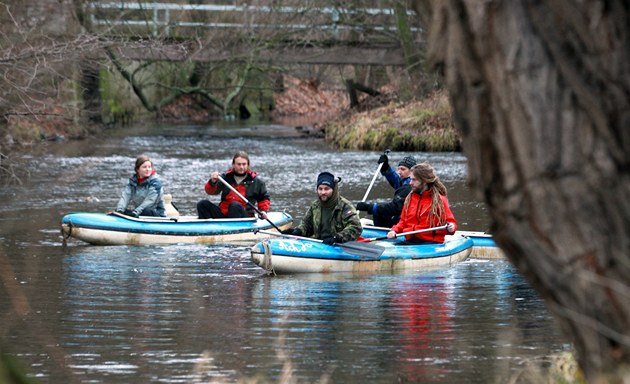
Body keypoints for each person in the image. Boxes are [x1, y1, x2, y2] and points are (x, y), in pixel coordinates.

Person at [281, 172, 362, 245]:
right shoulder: (315, 206)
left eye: (326, 189)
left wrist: (336, 238)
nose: (323, 192)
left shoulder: (345, 206)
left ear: (333, 190)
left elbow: (356, 227)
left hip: (339, 246)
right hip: (320, 244)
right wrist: (297, 231)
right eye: (320, 189)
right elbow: (307, 225)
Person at [387, 162, 456, 245]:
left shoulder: (439, 200)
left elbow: (451, 223)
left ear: (424, 181)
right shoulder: (410, 198)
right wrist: (394, 230)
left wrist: (451, 227)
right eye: (411, 179)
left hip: (431, 243)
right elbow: (403, 222)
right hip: (412, 240)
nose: (410, 183)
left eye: (414, 180)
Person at [197, 151, 270, 219]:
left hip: (244, 216)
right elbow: (211, 192)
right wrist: (212, 182)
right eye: (239, 164)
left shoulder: (256, 181)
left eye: (244, 164)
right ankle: (208, 229)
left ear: (248, 164)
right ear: (233, 164)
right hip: (224, 213)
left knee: (235, 205)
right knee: (202, 204)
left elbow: (263, 198)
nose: (241, 167)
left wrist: (263, 211)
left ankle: (233, 230)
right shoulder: (225, 178)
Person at [355, 154, 417, 227]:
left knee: (379, 212)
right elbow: (396, 181)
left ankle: (380, 233)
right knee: (381, 211)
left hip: (405, 221)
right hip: (403, 217)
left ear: (411, 171)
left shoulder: (408, 187)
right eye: (399, 169)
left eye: (403, 169)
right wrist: (385, 167)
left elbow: (395, 208)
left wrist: (369, 207)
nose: (399, 172)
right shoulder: (407, 182)